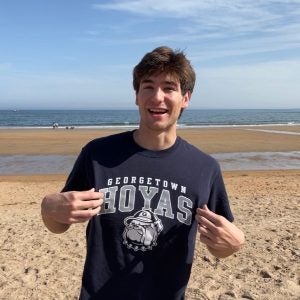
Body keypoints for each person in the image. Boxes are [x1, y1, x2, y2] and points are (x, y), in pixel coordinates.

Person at [41, 46, 245, 300]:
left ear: (185, 98)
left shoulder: (204, 168)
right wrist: (48, 207)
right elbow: (58, 224)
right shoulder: (97, 154)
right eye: (148, 86)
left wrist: (234, 245)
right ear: (137, 95)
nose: (157, 97)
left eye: (169, 87)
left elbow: (220, 247)